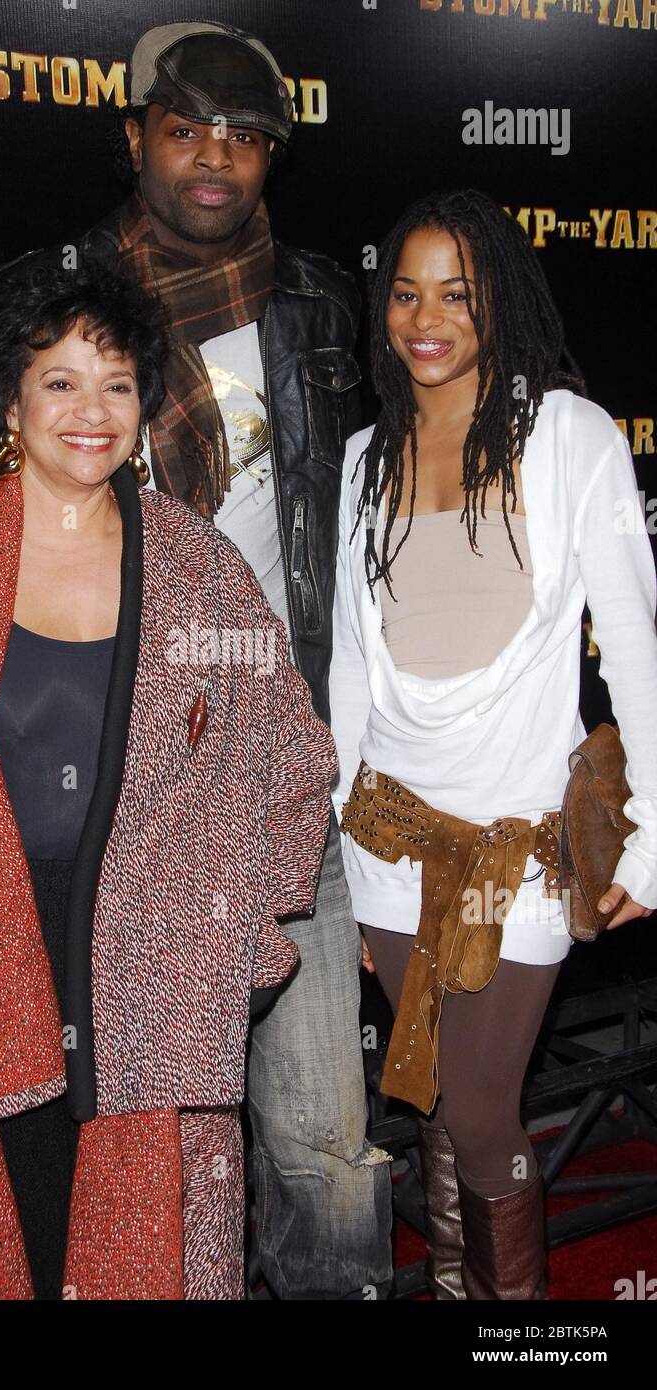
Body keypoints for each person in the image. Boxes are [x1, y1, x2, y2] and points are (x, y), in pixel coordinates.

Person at [0, 21, 393, 1299]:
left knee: (318, 1139)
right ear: (132, 135)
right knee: (91, 1127)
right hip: (102, 780)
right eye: (185, 128)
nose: (213, 160)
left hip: (269, 752)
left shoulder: (317, 300)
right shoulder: (43, 296)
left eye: (244, 138)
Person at [329, 189, 657, 1301]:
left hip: (512, 857)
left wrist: (651, 842)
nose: (426, 318)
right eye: (406, 293)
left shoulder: (569, 435)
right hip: (384, 842)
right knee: (428, 1096)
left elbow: (634, 645)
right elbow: (348, 668)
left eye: (456, 294)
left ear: (498, 304)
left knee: (479, 1106)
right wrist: (329, 810)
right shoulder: (363, 457)